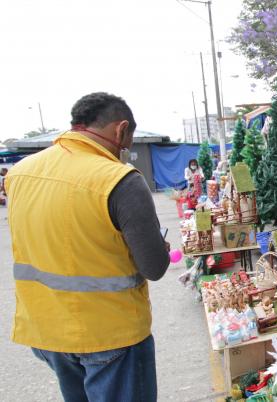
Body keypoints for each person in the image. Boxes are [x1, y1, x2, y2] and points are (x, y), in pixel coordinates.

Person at [5, 92, 170, 402]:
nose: (124, 152)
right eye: (127, 144)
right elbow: (154, 266)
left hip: (47, 331)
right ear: (121, 130)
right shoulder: (118, 180)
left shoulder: (20, 174)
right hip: (110, 335)